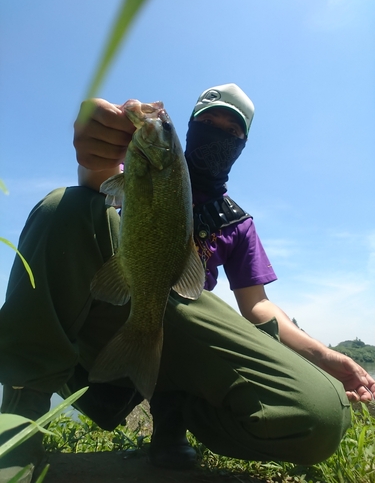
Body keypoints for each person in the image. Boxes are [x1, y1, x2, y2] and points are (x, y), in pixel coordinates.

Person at [0, 83, 373, 481]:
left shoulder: (238, 223)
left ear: (243, 143)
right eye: (208, 122)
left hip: (179, 337)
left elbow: (258, 306)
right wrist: (101, 145)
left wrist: (324, 356)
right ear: (191, 127)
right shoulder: (143, 170)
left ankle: (179, 410)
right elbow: (99, 182)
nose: (219, 133)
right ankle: (20, 419)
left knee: (321, 416)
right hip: (106, 311)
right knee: (66, 205)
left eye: (232, 130)